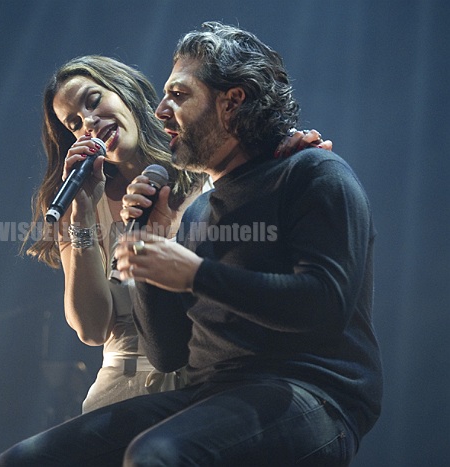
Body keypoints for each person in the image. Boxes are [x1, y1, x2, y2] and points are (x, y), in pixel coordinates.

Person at [0, 21, 380, 466]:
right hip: (208, 394)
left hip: (309, 390)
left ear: (231, 102)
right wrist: (147, 242)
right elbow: (167, 353)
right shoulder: (197, 213)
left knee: (156, 456)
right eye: (74, 124)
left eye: (178, 95)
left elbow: (325, 306)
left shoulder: (312, 171)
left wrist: (193, 273)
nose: (161, 110)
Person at [23, 55, 331, 414]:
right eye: (74, 124)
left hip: (218, 383)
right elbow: (91, 329)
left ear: (125, 92)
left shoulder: (212, 171)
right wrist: (83, 213)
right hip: (123, 391)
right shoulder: (82, 208)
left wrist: (287, 160)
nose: (89, 122)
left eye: (93, 101)